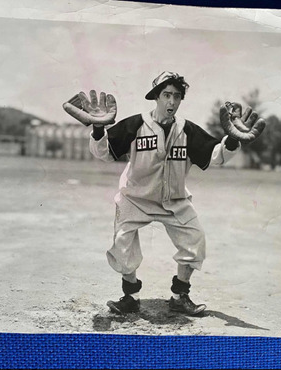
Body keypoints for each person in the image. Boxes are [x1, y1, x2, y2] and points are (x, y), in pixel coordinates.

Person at [63, 71, 265, 316]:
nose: (171, 101)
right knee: (122, 244)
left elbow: (215, 155)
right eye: (166, 95)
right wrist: (97, 129)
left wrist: (232, 141)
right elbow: (104, 153)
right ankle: (130, 297)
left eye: (177, 96)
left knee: (195, 241)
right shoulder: (135, 125)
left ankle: (180, 296)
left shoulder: (188, 130)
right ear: (156, 97)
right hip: (135, 198)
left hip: (175, 200)